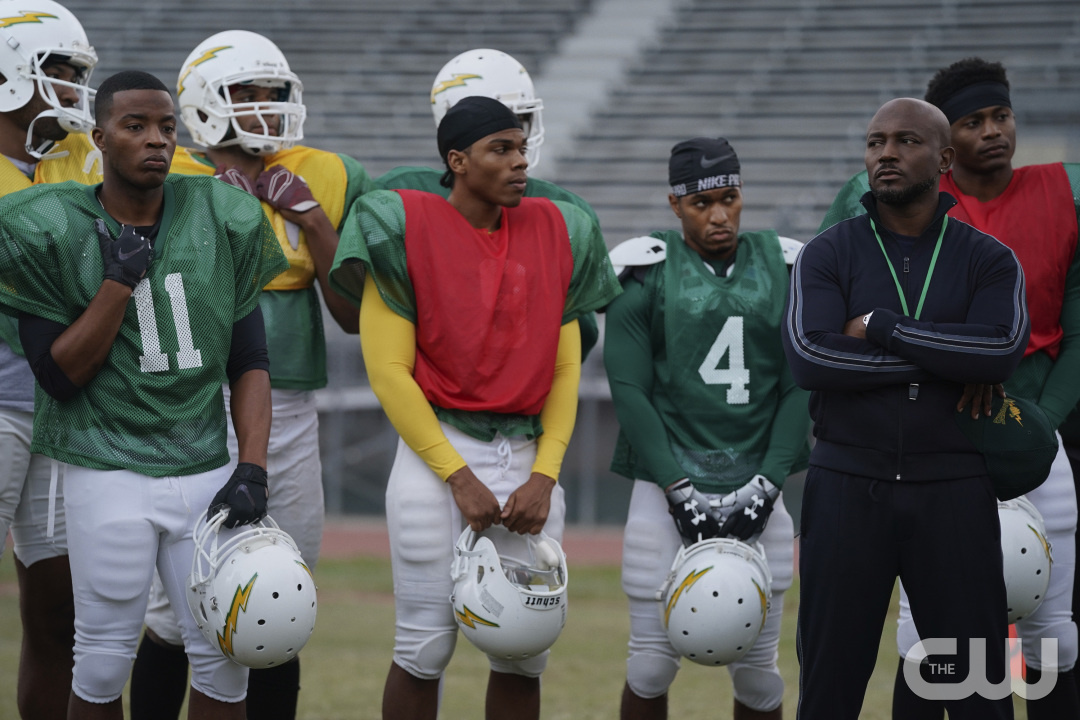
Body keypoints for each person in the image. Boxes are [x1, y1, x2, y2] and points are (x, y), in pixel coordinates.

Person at [0, 70, 287, 719]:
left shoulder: (221, 213)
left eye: (165, 126)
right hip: (105, 466)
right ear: (99, 137)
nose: (156, 139)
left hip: (204, 464)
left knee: (225, 655)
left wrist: (253, 465)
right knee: (101, 660)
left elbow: (250, 359)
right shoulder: (51, 224)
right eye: (135, 126)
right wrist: (118, 282)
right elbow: (58, 375)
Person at [327, 96, 620, 720]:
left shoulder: (560, 226)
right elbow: (388, 371)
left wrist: (545, 475)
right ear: (457, 161)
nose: (520, 162)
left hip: (531, 455)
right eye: (501, 149)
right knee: (423, 646)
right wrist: (457, 475)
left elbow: (565, 369)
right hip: (440, 451)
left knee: (523, 648)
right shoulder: (400, 221)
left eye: (522, 148)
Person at [820, 58, 1080, 718]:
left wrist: (1041, 422)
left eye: (1001, 116)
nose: (992, 131)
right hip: (930, 439)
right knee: (927, 631)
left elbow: (1056, 335)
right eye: (973, 121)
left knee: (1050, 627)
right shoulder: (876, 208)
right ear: (945, 144)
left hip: (1029, 431)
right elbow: (824, 333)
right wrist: (945, 366)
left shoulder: (1063, 192)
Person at [128, 30, 374, 720]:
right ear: (204, 103)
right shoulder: (170, 172)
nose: (266, 105)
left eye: (273, 92)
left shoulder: (324, 173)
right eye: (247, 93)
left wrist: (314, 222)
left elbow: (351, 314)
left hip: (290, 406)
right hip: (193, 404)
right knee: (173, 610)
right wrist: (223, 214)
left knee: (282, 590)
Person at [783, 97, 1030, 719]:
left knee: (977, 691)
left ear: (944, 159)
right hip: (846, 487)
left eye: (905, 141)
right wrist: (948, 360)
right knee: (829, 691)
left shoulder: (989, 258)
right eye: (875, 142)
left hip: (953, 491)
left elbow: (999, 352)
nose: (886, 153)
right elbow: (812, 358)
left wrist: (880, 327)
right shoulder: (826, 253)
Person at [603, 137, 809, 720]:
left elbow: (801, 383)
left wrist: (769, 482)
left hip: (758, 478)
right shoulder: (644, 271)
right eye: (701, 204)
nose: (719, 215)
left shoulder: (787, 267)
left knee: (759, 675)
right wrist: (676, 487)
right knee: (649, 665)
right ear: (675, 204)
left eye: (729, 198)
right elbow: (629, 389)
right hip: (663, 483)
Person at [0, 1, 99, 716]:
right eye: (58, 70)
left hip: (66, 409)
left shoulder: (82, 156)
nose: (72, 87)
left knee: (60, 614)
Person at [376, 47, 602, 359]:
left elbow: (578, 337)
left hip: (529, 380)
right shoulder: (396, 197)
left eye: (521, 120)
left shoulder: (567, 212)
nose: (516, 134)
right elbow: (365, 313)